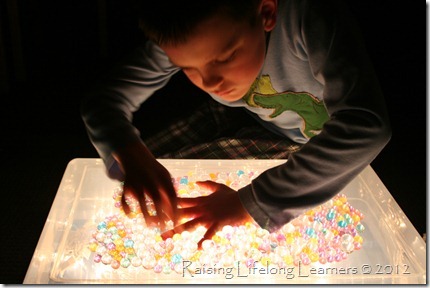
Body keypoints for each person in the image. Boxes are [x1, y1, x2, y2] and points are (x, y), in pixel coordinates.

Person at [81, 0, 391, 246]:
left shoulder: (308, 16)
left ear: (266, 13)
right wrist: (128, 150)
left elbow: (367, 125)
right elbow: (104, 101)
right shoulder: (190, 32)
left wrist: (250, 202)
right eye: (188, 68)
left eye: (224, 57)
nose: (210, 81)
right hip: (249, 116)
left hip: (318, 142)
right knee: (160, 164)